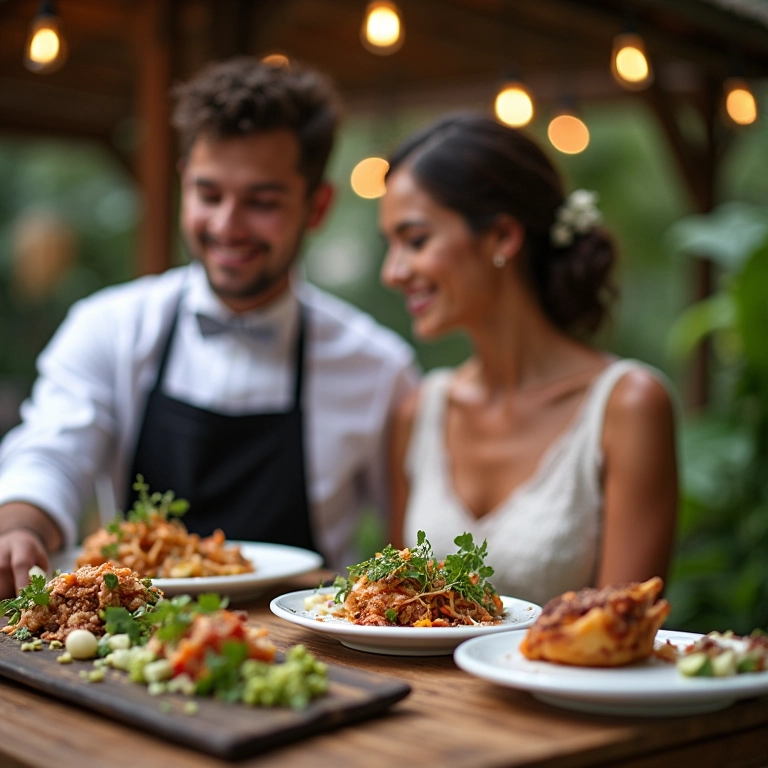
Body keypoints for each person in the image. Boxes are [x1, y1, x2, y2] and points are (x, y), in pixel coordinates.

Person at [0, 57, 418, 598]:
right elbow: (52, 450)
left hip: (309, 663)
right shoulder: (109, 327)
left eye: (261, 202)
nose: (226, 225)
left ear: (317, 207)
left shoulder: (379, 367)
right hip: (125, 644)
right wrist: (20, 525)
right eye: (209, 194)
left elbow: (405, 545)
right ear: (183, 186)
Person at [379, 112, 677, 607]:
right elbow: (388, 607)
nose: (393, 271)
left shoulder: (628, 407)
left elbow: (621, 630)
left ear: (502, 238)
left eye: (415, 241)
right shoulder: (420, 411)